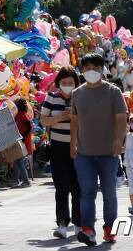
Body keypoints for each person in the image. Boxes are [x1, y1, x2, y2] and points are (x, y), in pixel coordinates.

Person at [70, 53, 127, 246]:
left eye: (95, 67)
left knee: (109, 192)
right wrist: (72, 144)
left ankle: (110, 229)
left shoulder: (113, 92)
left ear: (102, 69)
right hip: (84, 154)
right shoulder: (77, 93)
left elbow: (121, 118)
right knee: (87, 192)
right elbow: (75, 120)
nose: (90, 71)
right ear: (82, 70)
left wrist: (119, 140)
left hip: (108, 154)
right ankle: (88, 229)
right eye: (86, 68)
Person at [40, 65, 81, 240]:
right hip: (57, 147)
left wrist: (75, 117)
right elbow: (43, 120)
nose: (67, 85)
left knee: (78, 188)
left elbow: (88, 120)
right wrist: (58, 118)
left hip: (79, 148)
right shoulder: (51, 98)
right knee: (61, 187)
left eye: (70, 82)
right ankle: (62, 224)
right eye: (63, 82)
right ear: (58, 83)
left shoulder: (81, 97)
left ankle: (79, 224)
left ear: (75, 83)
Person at [12, 98, 32, 188]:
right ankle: (15, 180)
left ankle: (26, 181)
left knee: (19, 161)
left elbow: (29, 126)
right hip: (19, 140)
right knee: (17, 160)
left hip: (23, 141)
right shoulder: (18, 115)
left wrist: (23, 136)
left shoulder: (23, 115)